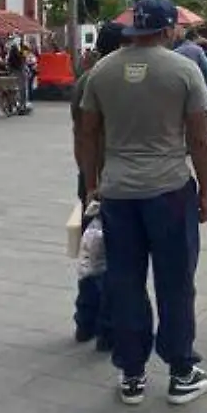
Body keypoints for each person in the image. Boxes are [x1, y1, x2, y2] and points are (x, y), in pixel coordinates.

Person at [79, 0, 207, 407]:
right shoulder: (183, 70)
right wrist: (206, 193)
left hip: (118, 193)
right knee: (176, 283)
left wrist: (92, 184)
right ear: (169, 28)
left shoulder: (101, 71)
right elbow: (200, 139)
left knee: (124, 282)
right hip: (170, 190)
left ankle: (132, 374)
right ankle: (180, 372)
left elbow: (87, 133)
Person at [72, 21, 126, 349]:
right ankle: (107, 327)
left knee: (88, 250)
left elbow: (79, 134)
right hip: (111, 178)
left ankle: (84, 321)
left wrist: (86, 179)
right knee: (113, 254)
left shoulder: (83, 80)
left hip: (86, 176)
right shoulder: (114, 81)